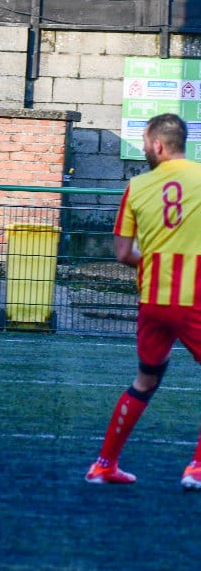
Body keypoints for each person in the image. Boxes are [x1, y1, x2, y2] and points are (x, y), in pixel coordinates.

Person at [85, 113, 201, 490]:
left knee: (146, 380)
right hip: (194, 299)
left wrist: (155, 258)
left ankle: (104, 464)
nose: (144, 148)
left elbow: (123, 253)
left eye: (145, 142)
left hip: (153, 301)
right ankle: (197, 468)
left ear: (158, 145)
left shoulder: (135, 187)